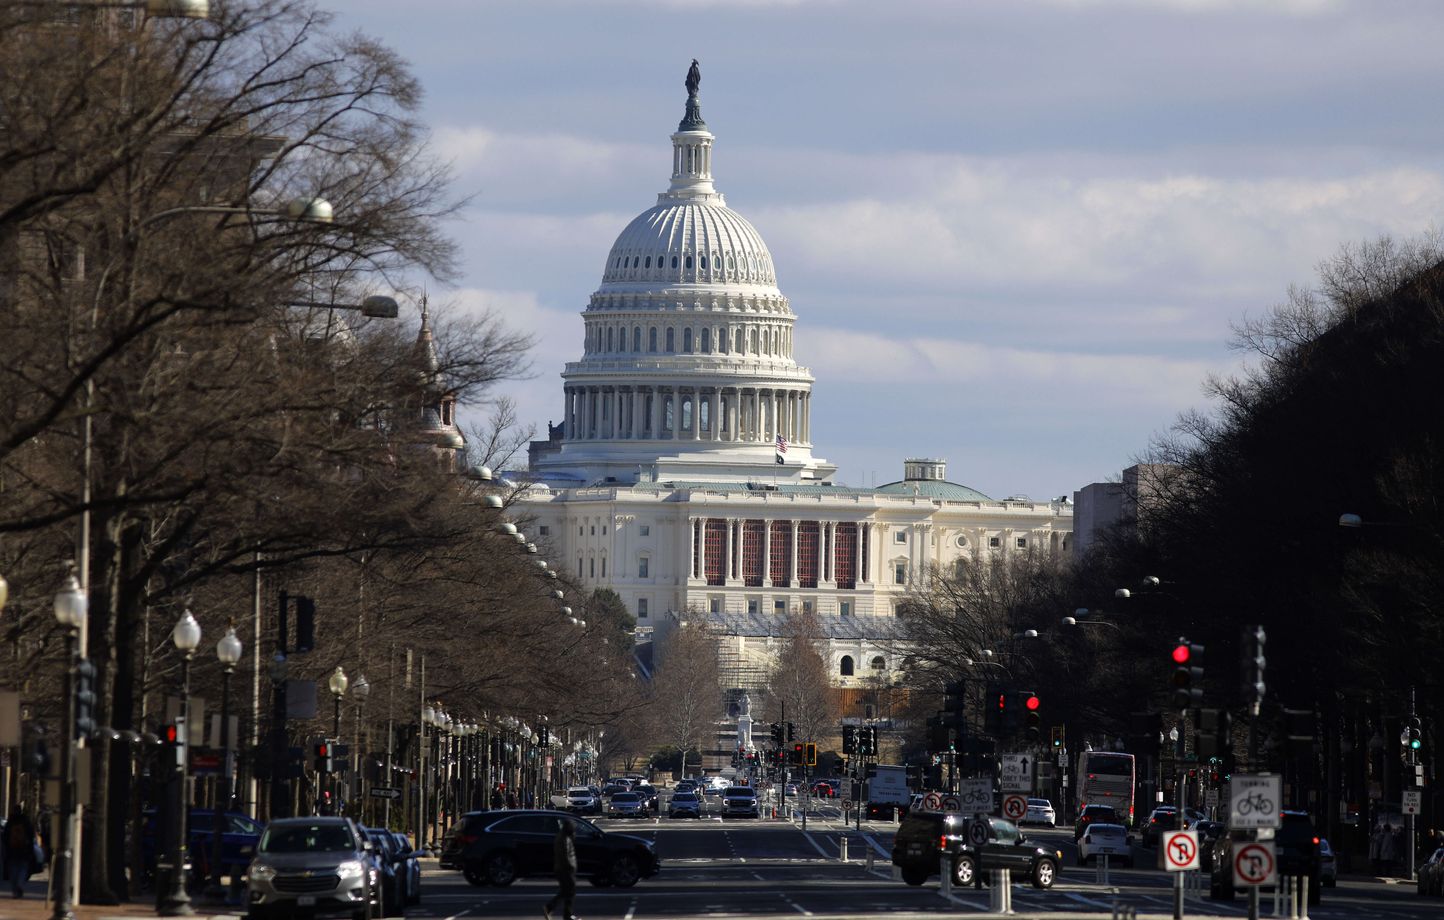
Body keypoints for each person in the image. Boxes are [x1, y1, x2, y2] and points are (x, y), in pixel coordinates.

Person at [542, 819, 577, 920]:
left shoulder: (564, 837)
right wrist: (570, 867)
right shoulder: (564, 839)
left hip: (563, 868)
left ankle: (559, 911)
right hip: (565, 869)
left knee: (566, 891)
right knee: (569, 892)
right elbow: (565, 855)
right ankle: (564, 913)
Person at [3, 805, 38, 899]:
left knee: (13, 870)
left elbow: (5, 836)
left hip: (12, 850)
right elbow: (31, 836)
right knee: (23, 868)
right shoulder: (25, 821)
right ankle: (20, 884)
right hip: (24, 849)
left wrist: (6, 848)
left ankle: (15, 888)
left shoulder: (10, 822)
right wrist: (30, 848)